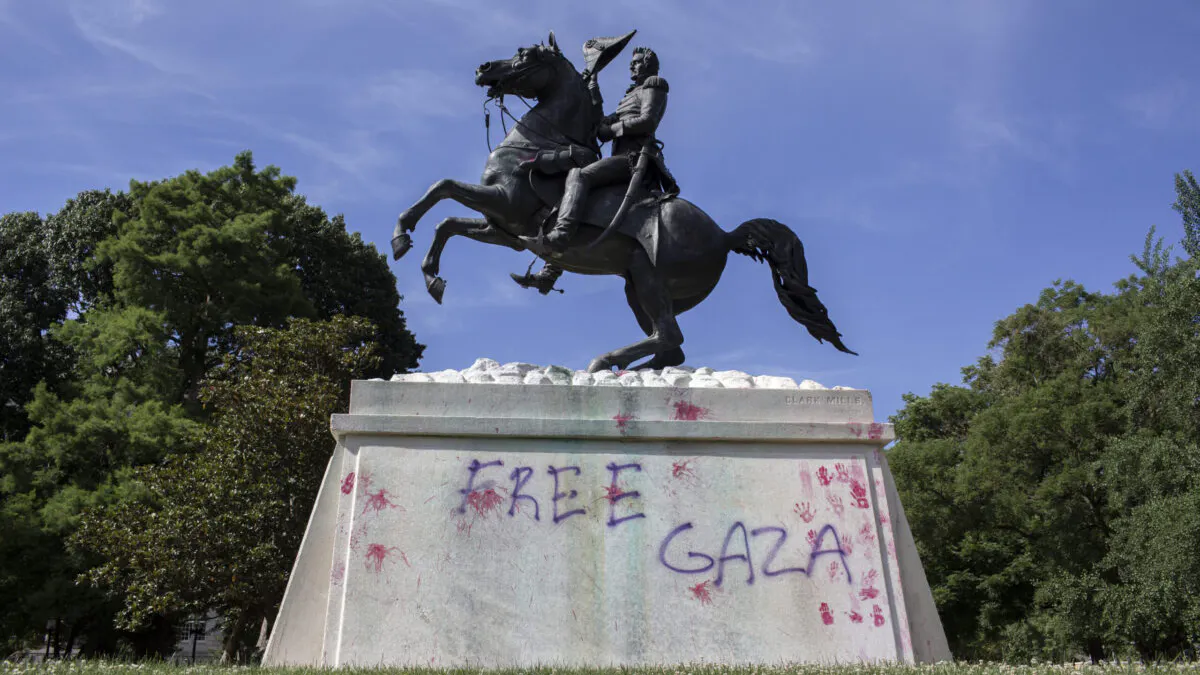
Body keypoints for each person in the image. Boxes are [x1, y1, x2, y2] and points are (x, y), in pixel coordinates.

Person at [512, 46, 679, 294]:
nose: (632, 67)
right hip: (623, 159)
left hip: (634, 159)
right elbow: (601, 121)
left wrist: (612, 130)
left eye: (636, 63)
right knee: (576, 197)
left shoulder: (654, 85)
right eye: (631, 63)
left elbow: (647, 121)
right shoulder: (629, 95)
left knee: (579, 176)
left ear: (649, 65)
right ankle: (550, 272)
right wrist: (592, 84)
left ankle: (561, 235)